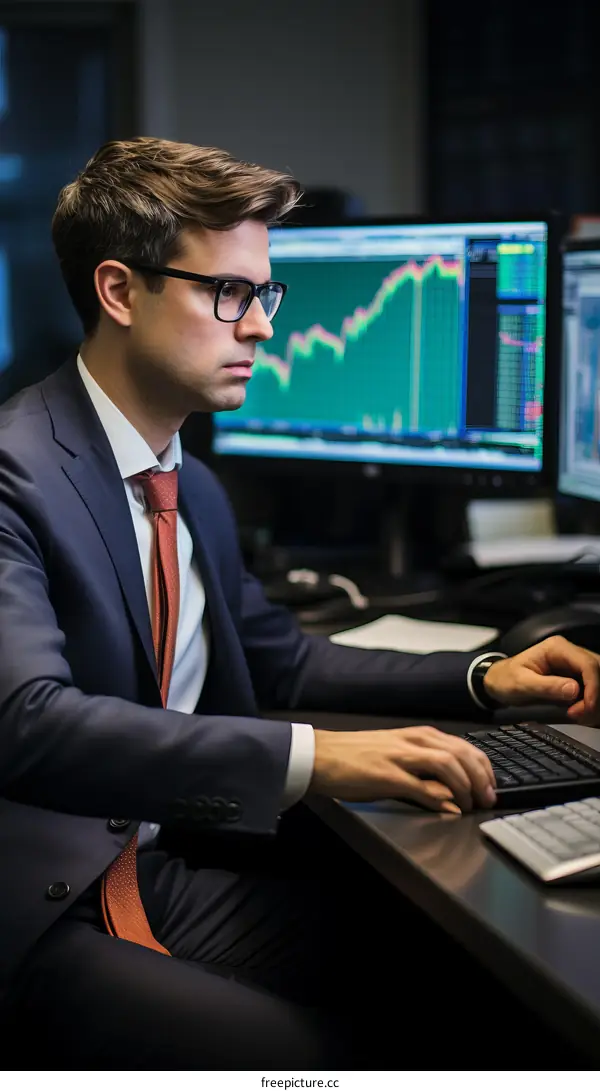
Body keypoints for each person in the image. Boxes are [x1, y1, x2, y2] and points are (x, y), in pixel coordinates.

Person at [0, 137, 599, 1071]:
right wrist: (317, 758)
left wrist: (487, 678)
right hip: (42, 903)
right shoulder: (16, 472)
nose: (261, 329)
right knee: (318, 1065)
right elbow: (29, 722)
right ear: (119, 291)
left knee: (468, 991)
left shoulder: (188, 483)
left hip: (158, 869)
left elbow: (281, 656)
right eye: (227, 293)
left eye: (263, 295)